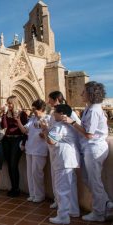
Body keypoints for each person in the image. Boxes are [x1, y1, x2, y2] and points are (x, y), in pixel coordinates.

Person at [64, 81, 113, 222]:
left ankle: (98, 213)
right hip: (90, 148)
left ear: (91, 94)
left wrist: (72, 122)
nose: (81, 94)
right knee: (87, 178)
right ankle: (107, 204)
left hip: (94, 148)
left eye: (84, 91)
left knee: (94, 180)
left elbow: (89, 134)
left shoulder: (93, 110)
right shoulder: (91, 108)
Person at [46, 104, 80, 224]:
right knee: (70, 187)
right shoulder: (71, 125)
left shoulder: (60, 126)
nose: (53, 114)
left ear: (61, 114)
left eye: (55, 112)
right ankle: (74, 211)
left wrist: (45, 129)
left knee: (62, 189)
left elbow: (51, 140)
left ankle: (63, 216)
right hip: (70, 160)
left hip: (63, 160)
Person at [16, 99, 50, 203]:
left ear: (41, 109)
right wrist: (18, 121)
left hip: (40, 150)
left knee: (37, 173)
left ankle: (39, 195)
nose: (33, 110)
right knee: (30, 173)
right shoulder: (32, 119)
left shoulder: (48, 118)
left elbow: (50, 134)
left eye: (35, 108)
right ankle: (32, 194)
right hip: (29, 149)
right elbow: (25, 130)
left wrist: (44, 133)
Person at [1, 95, 28, 197]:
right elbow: (3, 126)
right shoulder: (7, 114)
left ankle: (16, 188)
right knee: (9, 164)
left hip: (17, 140)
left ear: (15, 103)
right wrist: (4, 114)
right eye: (8, 103)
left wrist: (24, 143)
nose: (8, 105)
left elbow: (26, 130)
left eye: (10, 103)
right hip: (7, 140)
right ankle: (13, 187)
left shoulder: (22, 114)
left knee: (13, 164)